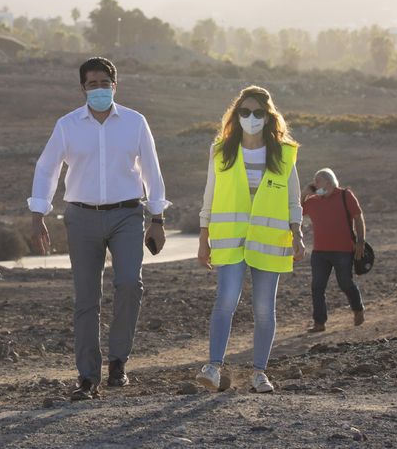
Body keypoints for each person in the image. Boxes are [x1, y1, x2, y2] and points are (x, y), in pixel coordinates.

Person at [28, 57, 169, 401]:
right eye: (92, 84)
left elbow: (152, 169)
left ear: (114, 85)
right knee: (86, 298)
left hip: (126, 215)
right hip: (81, 216)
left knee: (129, 285)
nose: (99, 89)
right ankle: (87, 377)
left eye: (104, 83)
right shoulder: (67, 125)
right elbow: (47, 167)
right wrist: (38, 212)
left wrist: (157, 218)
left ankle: (118, 362)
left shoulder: (135, 122)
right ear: (83, 88)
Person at [195, 85, 304, 394]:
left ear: (268, 117)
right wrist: (203, 238)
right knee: (225, 301)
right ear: (236, 115)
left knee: (263, 309)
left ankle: (259, 373)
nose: (251, 118)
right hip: (230, 240)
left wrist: (298, 233)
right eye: (245, 112)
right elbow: (210, 196)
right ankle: (213, 367)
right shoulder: (221, 150)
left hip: (269, 241)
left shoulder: (283, 154)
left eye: (258, 112)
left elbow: (293, 200)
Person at [301, 168, 366, 332]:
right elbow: (296, 211)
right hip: (319, 253)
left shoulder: (345, 195)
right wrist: (304, 193)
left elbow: (358, 218)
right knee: (317, 287)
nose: (315, 185)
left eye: (317, 181)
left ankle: (358, 308)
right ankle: (319, 323)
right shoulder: (313, 201)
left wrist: (360, 241)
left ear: (328, 182)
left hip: (343, 251)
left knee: (345, 283)